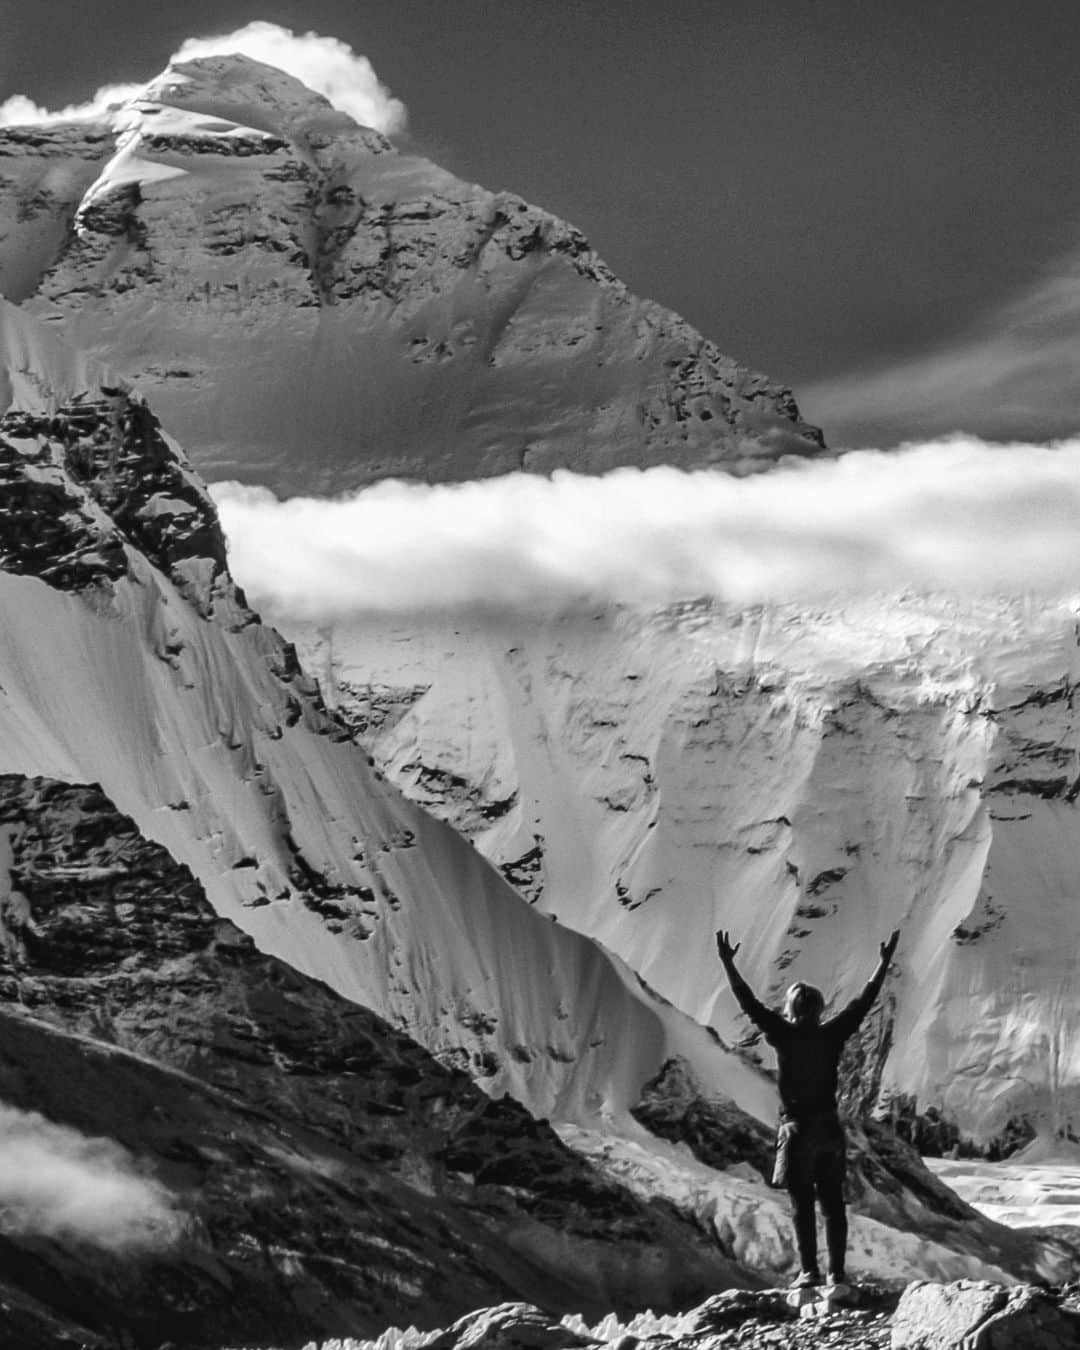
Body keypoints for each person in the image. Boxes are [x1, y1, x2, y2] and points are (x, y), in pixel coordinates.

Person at [715, 927, 900, 1290]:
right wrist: (882, 964)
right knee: (833, 1204)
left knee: (802, 1203)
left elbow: (748, 1004)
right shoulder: (831, 1034)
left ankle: (809, 1272)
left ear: (791, 1009)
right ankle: (837, 1274)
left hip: (797, 1130)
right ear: (818, 1010)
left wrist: (728, 964)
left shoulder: (783, 1034)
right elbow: (862, 1003)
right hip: (830, 1129)